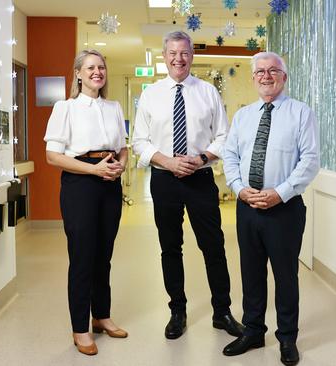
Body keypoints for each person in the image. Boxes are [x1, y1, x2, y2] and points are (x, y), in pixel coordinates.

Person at [132, 30, 243, 340]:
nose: (178, 58)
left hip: (200, 179)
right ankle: (177, 311)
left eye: (184, 53)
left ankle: (222, 312)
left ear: (191, 56)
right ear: (164, 56)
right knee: (170, 247)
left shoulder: (207, 92)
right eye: (172, 53)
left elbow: (225, 135)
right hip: (164, 180)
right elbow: (139, 140)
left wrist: (202, 157)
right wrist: (167, 162)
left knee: (214, 246)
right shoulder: (151, 94)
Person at [222, 51, 320, 366]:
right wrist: (239, 189)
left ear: (284, 77)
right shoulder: (243, 116)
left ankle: (287, 338)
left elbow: (309, 161)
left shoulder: (301, 113)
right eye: (260, 71)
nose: (266, 76)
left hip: (284, 209)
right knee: (251, 273)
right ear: (253, 78)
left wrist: (280, 193)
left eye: (273, 70)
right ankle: (252, 330)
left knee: (285, 276)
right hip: (247, 206)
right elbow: (230, 156)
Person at [44, 49, 128, 356]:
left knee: (103, 256)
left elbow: (122, 148)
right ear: (78, 73)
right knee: (82, 258)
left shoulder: (114, 107)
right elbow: (53, 156)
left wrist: (119, 165)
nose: (98, 72)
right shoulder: (65, 108)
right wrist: (94, 169)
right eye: (91, 67)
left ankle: (101, 317)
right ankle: (80, 329)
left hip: (109, 185)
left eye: (102, 67)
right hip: (80, 184)